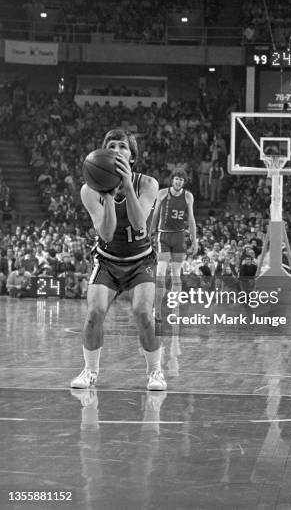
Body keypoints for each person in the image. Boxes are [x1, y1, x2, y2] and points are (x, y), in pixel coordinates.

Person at [71, 128, 166, 391]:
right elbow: (107, 232)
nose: (116, 150)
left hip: (140, 260)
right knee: (94, 314)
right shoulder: (89, 190)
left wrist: (126, 186)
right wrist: (110, 195)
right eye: (110, 145)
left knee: (143, 313)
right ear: (102, 153)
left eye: (122, 146)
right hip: (108, 260)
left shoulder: (148, 184)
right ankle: (89, 371)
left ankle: (155, 372)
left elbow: (139, 226)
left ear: (132, 157)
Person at [150, 168, 197, 320]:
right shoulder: (162, 193)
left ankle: (173, 309)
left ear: (184, 182)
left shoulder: (188, 196)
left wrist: (194, 241)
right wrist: (150, 231)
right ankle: (156, 309)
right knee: (160, 274)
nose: (178, 182)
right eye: (176, 179)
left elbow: (191, 220)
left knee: (176, 275)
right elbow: (155, 214)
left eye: (181, 180)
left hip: (179, 237)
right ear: (172, 180)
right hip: (163, 235)